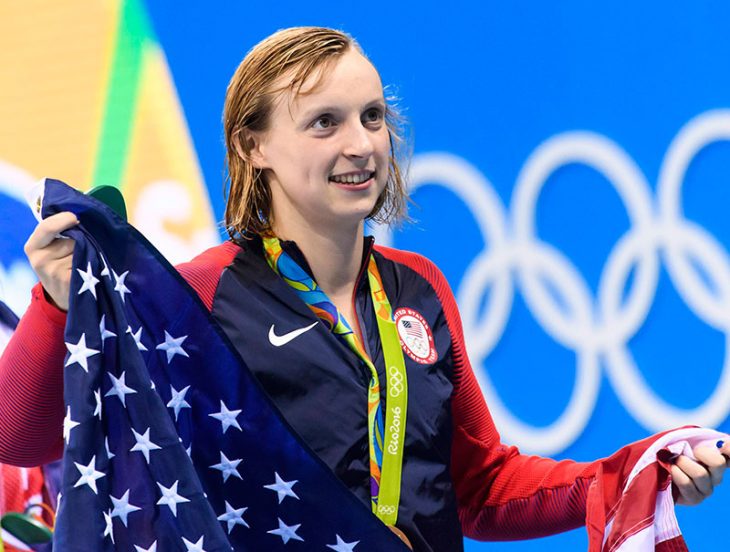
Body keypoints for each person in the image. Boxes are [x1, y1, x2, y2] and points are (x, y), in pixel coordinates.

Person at [1, 27, 729, 552]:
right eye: (325, 123)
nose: (362, 144)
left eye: (373, 116)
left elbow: (480, 490)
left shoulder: (420, 290)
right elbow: (21, 439)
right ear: (253, 147)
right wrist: (56, 302)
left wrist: (634, 469)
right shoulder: (202, 300)